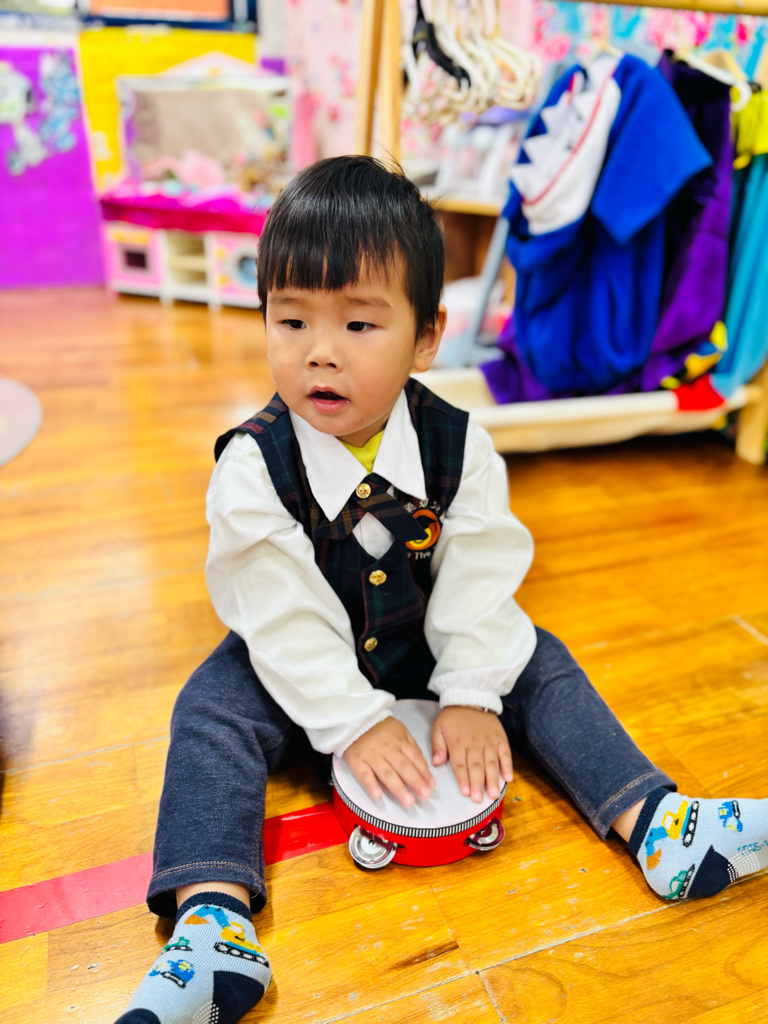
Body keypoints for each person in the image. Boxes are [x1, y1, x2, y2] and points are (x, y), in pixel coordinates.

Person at [116, 156, 768, 1024]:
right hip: (304, 657)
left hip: (429, 638)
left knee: (541, 659)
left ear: (427, 338)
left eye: (358, 323)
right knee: (208, 709)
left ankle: (658, 824)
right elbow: (278, 615)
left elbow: (480, 575)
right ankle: (212, 923)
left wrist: (468, 692)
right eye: (291, 320)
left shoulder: (462, 446)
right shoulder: (252, 467)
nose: (319, 351)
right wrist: (353, 721)